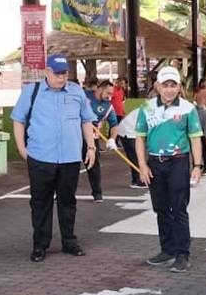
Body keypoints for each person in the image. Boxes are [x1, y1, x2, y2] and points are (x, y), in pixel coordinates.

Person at [11, 53, 97, 262]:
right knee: (41, 202)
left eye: (64, 73)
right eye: (57, 73)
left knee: (68, 201)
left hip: (69, 158)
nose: (61, 77)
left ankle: (69, 241)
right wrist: (22, 148)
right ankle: (40, 245)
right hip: (41, 157)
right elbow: (18, 120)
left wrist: (91, 147)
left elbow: (87, 121)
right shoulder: (32, 92)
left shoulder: (77, 92)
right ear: (47, 72)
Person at [136, 66, 203, 273]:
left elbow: (195, 138)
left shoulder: (188, 109)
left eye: (173, 85)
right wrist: (142, 165)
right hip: (155, 163)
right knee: (161, 208)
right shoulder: (146, 108)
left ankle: (182, 254)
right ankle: (167, 250)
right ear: (157, 86)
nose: (169, 90)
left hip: (178, 162)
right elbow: (140, 138)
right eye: (165, 85)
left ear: (179, 87)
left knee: (179, 208)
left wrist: (198, 165)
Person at [83, 79, 119, 202]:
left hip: (92, 138)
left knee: (94, 165)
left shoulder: (108, 106)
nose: (110, 97)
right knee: (67, 165)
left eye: (111, 94)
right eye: (108, 93)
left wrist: (112, 139)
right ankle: (61, 194)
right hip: (75, 137)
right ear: (100, 89)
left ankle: (97, 193)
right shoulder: (84, 96)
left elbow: (114, 124)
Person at [116, 107, 145, 188]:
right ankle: (138, 181)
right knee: (135, 156)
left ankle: (139, 179)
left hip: (129, 129)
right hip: (128, 131)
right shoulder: (150, 110)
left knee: (136, 155)